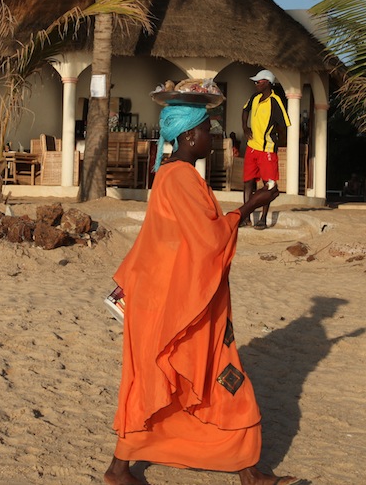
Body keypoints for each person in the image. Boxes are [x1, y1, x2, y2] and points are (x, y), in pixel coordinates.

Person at [105, 101, 303, 485]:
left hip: (174, 294)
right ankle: (120, 469)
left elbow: (172, 236)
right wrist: (249, 207)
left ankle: (246, 471)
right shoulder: (179, 178)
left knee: (185, 376)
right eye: (208, 131)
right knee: (196, 377)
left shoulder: (173, 175)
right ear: (188, 136)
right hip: (175, 302)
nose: (213, 139)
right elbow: (208, 239)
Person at [241, 69, 290, 230]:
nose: (256, 84)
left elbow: (284, 124)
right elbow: (245, 110)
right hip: (251, 147)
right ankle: (246, 217)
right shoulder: (254, 97)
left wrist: (278, 142)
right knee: (247, 182)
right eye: (255, 81)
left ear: (268, 82)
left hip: (267, 149)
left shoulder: (276, 101)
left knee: (268, 185)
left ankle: (263, 218)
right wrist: (245, 127)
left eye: (259, 81)